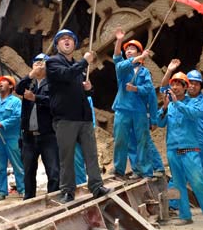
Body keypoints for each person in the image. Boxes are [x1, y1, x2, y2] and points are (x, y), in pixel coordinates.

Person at [45, 28, 111, 203]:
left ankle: (96, 186)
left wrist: (89, 89)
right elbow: (66, 75)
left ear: (74, 44)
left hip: (84, 118)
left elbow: (84, 92)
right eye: (63, 39)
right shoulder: (53, 63)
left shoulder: (78, 67)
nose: (67, 41)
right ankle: (67, 191)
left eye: (70, 39)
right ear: (57, 44)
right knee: (67, 157)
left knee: (91, 154)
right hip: (65, 118)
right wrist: (84, 61)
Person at [158, 72, 203, 228]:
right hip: (173, 150)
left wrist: (177, 103)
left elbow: (193, 115)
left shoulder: (194, 103)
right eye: (173, 84)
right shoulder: (170, 105)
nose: (175, 87)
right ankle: (185, 216)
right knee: (179, 184)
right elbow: (159, 123)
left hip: (189, 150)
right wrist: (165, 107)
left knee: (198, 182)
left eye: (178, 85)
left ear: (185, 88)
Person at [15, 53, 60, 200]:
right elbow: (18, 89)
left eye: (42, 62)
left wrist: (36, 98)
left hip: (48, 134)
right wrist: (31, 75)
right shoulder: (30, 83)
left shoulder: (54, 83)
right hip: (28, 136)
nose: (39, 65)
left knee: (53, 171)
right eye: (36, 62)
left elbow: (55, 102)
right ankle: (29, 200)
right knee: (28, 172)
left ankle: (53, 199)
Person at [111, 28, 154, 179]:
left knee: (142, 141)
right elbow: (117, 58)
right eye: (127, 49)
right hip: (123, 109)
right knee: (121, 140)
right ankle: (119, 170)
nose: (129, 51)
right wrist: (119, 40)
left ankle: (143, 171)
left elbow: (148, 89)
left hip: (139, 111)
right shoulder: (122, 68)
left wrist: (136, 89)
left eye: (132, 49)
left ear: (139, 52)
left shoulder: (144, 72)